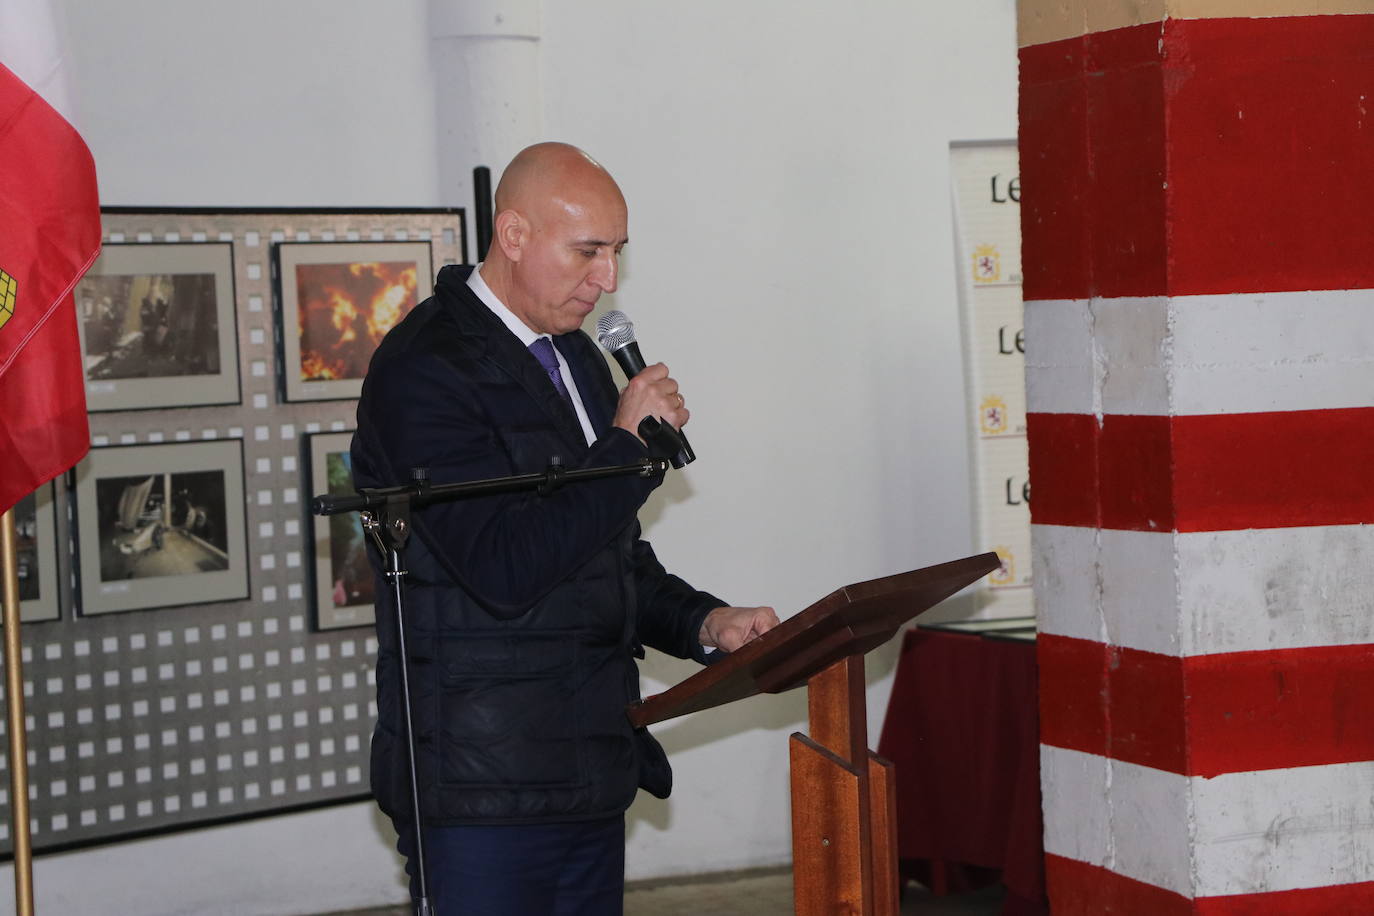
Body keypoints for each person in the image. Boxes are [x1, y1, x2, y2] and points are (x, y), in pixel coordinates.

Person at [350, 142, 779, 915]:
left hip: (585, 765)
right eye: (587, 251)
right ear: (513, 236)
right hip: (479, 785)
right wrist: (622, 448)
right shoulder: (426, 369)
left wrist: (705, 623)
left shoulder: (577, 360)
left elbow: (602, 553)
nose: (607, 279)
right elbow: (504, 570)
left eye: (616, 253)